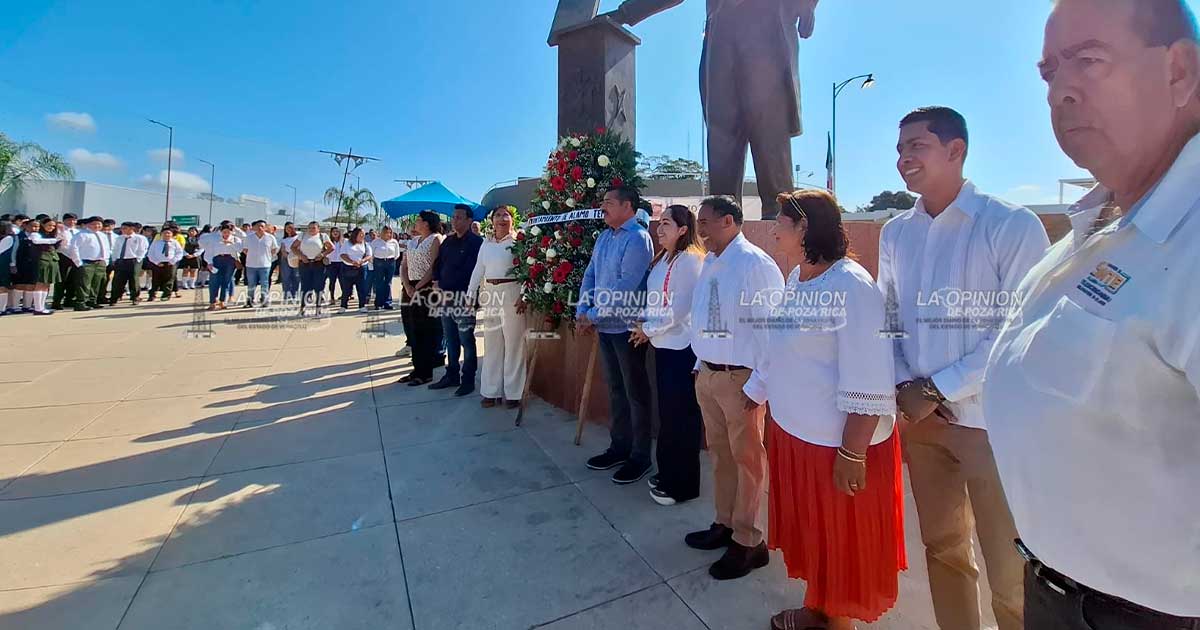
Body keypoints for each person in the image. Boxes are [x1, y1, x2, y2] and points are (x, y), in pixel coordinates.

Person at [983, 1, 1200, 627]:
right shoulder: (1086, 235)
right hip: (1056, 593)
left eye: (1089, 60)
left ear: (1180, 70)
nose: (1060, 91)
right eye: (1049, 71)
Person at [877, 106, 1049, 630]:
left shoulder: (1010, 225)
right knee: (944, 549)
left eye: (918, 146)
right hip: (924, 423)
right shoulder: (895, 234)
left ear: (957, 151)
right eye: (901, 147)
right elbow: (889, 318)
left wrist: (935, 387)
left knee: (1010, 568)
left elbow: (1019, 330)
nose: (905, 158)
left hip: (989, 425)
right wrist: (908, 385)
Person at [752, 190, 905, 630]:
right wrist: (757, 391)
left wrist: (853, 452)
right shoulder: (796, 277)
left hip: (836, 447)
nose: (773, 228)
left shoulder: (851, 285)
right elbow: (783, 349)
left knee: (840, 541)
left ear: (804, 228)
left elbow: (870, 375)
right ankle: (818, 608)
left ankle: (836, 622)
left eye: (781, 220)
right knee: (815, 536)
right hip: (796, 436)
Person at [685, 195, 783, 580]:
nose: (700, 229)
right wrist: (699, 364)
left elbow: (772, 331)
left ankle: (748, 541)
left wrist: (758, 386)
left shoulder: (755, 265)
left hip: (742, 380)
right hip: (709, 375)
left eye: (706, 221)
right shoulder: (711, 261)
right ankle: (724, 523)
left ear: (729, 220)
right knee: (721, 457)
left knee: (747, 462)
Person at [578, 186, 656, 484]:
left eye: (609, 202)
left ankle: (640, 457)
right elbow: (591, 275)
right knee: (616, 390)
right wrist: (582, 309)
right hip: (606, 327)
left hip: (627, 329)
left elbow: (626, 287)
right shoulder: (604, 237)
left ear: (628, 206)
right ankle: (619, 448)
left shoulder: (638, 239)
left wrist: (593, 315)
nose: (603, 207)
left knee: (636, 394)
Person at [629, 204, 706, 506]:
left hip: (682, 349)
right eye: (659, 224)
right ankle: (667, 472)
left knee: (682, 418)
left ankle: (683, 485)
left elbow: (680, 308)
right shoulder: (662, 260)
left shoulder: (690, 261)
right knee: (668, 416)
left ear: (684, 230)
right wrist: (645, 325)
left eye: (666, 224)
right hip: (662, 346)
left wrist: (647, 329)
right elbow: (655, 301)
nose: (659, 230)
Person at [467, 206, 526, 409]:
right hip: (490, 293)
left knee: (513, 343)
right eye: (498, 215)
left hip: (512, 292)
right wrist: (470, 294)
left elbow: (528, 269)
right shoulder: (486, 244)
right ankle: (490, 391)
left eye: (506, 215)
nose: (502, 218)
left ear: (512, 219)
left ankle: (514, 393)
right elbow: (478, 270)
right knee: (492, 343)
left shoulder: (519, 240)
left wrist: (524, 295)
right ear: (491, 221)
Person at [430, 204, 484, 396]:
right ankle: (451, 374)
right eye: (453, 217)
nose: (454, 220)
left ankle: (468, 379)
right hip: (445, 298)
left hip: (464, 300)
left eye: (459, 217)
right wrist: (437, 282)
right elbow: (438, 264)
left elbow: (476, 272)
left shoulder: (477, 243)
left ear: (469, 220)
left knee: (466, 340)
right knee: (450, 339)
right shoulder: (448, 242)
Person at [398, 211, 443, 386]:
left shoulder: (436, 239)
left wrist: (417, 287)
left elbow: (433, 267)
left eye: (418, 220)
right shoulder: (412, 242)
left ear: (427, 223)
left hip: (425, 288)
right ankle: (416, 369)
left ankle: (425, 372)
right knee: (411, 328)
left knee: (425, 330)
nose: (415, 223)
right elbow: (404, 265)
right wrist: (408, 286)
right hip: (409, 287)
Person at [67, 217, 112, 312]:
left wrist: (105, 261)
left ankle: (92, 301)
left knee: (96, 283)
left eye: (99, 224)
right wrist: (78, 262)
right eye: (94, 224)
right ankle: (81, 302)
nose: (97, 226)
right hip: (86, 262)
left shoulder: (102, 235)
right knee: (84, 284)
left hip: (100, 262)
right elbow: (73, 248)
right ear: (88, 224)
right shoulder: (82, 234)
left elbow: (107, 248)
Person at [293, 221, 334, 316]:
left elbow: (332, 247)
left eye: (313, 228)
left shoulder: (323, 236)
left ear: (318, 229)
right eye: (310, 227)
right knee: (305, 286)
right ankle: (303, 307)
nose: (311, 229)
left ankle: (318, 308)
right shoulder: (302, 236)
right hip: (305, 263)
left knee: (319, 287)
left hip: (318, 264)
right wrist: (301, 255)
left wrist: (323, 254)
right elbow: (293, 247)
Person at [109, 221, 148, 306]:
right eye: (122, 228)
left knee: (133, 280)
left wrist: (138, 259)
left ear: (131, 229)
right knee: (118, 280)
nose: (122, 230)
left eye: (125, 228)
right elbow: (115, 249)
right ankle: (114, 298)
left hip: (133, 260)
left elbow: (142, 250)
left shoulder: (139, 238)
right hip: (120, 260)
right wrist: (114, 259)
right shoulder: (119, 238)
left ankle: (135, 297)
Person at [205, 223, 242, 310]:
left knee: (226, 281)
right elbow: (209, 252)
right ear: (221, 232)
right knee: (214, 281)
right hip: (217, 260)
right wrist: (209, 262)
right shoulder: (215, 240)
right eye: (224, 232)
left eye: (228, 232)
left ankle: (222, 301)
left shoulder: (236, 239)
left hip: (230, 260)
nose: (226, 234)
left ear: (232, 232)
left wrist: (231, 243)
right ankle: (212, 302)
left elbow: (240, 249)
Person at [242, 220, 278, 308]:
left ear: (265, 227)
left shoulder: (270, 237)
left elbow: (274, 249)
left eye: (262, 226)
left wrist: (267, 257)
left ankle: (264, 300)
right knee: (251, 283)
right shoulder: (249, 237)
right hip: (251, 265)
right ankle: (250, 301)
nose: (260, 228)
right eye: (258, 226)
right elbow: (245, 250)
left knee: (264, 283)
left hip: (265, 265)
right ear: (254, 227)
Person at [337, 227, 373, 311]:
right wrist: (352, 261)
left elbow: (369, 255)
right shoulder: (347, 243)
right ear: (355, 234)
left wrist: (362, 261)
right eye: (361, 234)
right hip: (348, 268)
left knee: (361, 288)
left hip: (361, 268)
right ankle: (343, 306)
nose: (362, 236)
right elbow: (342, 254)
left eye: (364, 234)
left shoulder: (365, 244)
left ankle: (362, 306)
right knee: (346, 288)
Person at [146, 226, 184, 302]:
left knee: (169, 280)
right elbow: (150, 254)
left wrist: (173, 261)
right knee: (155, 280)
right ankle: (152, 295)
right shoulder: (156, 243)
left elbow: (179, 253)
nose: (167, 235)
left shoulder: (175, 243)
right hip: (158, 264)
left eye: (169, 233)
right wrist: (156, 262)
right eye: (165, 233)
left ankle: (166, 295)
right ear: (161, 234)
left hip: (171, 263)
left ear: (172, 234)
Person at [51, 212, 80, 310]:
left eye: (74, 220)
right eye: (69, 220)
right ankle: (57, 301)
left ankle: (69, 300)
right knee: (61, 280)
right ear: (64, 221)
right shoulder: (60, 230)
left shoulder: (78, 232)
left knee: (73, 280)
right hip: (63, 256)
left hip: (75, 257)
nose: (72, 222)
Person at [370, 226, 400, 310]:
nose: (389, 234)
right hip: (379, 262)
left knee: (388, 282)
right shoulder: (376, 242)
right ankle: (378, 303)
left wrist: (391, 260)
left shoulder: (394, 242)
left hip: (390, 262)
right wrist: (374, 262)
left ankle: (387, 302)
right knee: (379, 282)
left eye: (390, 232)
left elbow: (397, 254)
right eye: (387, 232)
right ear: (382, 233)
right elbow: (371, 253)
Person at [277, 222, 300, 302]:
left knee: (296, 277)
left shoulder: (298, 237)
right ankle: (287, 294)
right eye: (287, 228)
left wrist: (295, 256)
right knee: (286, 277)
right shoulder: (284, 239)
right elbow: (283, 249)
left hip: (296, 258)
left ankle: (295, 294)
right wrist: (287, 256)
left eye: (290, 227)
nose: (289, 230)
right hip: (286, 259)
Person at [325, 226, 343, 305]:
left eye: (337, 231)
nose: (335, 233)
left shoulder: (343, 241)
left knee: (343, 281)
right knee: (332, 281)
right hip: (331, 263)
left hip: (341, 263)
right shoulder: (328, 242)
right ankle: (332, 297)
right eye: (333, 232)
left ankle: (344, 296)